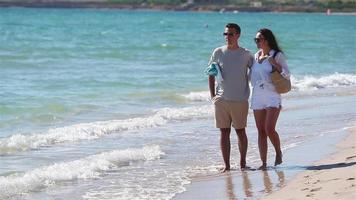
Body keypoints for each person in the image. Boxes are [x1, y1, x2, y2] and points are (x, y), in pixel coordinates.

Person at [208, 23, 253, 172]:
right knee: (224, 132)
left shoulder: (246, 54)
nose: (228, 37)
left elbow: (257, 73)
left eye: (231, 34)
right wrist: (213, 96)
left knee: (241, 131)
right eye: (225, 34)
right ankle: (226, 166)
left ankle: (242, 164)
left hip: (240, 100)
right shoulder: (218, 52)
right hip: (221, 100)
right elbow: (211, 72)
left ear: (238, 35)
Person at [250, 28, 290, 170]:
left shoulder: (277, 55)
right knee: (261, 130)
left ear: (266, 40)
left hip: (272, 94)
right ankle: (264, 164)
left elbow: (287, 74)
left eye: (258, 39)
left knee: (269, 129)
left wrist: (275, 63)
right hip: (257, 96)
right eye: (255, 39)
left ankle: (278, 152)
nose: (256, 42)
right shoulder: (255, 56)